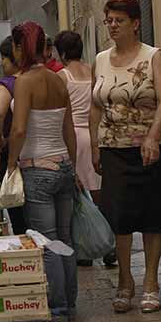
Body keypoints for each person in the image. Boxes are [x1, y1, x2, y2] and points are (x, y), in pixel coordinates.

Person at [90, 0, 161, 314]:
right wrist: (95, 144)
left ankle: (150, 282)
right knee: (118, 217)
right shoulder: (100, 59)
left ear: (135, 23)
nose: (113, 26)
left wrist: (152, 137)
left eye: (119, 20)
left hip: (151, 148)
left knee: (152, 214)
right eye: (109, 20)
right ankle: (124, 280)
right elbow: (96, 105)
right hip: (114, 149)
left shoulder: (153, 57)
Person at [8, 21, 78, 322]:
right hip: (63, 165)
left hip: (37, 168)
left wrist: (11, 164)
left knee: (47, 243)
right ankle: (70, 307)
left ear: (21, 48)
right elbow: (69, 130)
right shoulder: (59, 79)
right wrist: (72, 167)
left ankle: (58, 313)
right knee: (64, 241)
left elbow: (19, 128)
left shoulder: (23, 82)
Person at [55, 31, 116, 268]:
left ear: (61, 53)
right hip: (96, 134)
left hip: (75, 136)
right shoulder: (93, 70)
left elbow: (62, 114)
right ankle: (107, 243)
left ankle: (85, 246)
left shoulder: (62, 76)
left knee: (79, 196)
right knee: (99, 192)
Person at [0, 35, 25, 235]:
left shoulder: (8, 84)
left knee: (20, 217)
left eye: (3, 58)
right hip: (48, 157)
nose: (2, 63)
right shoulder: (45, 78)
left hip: (15, 155)